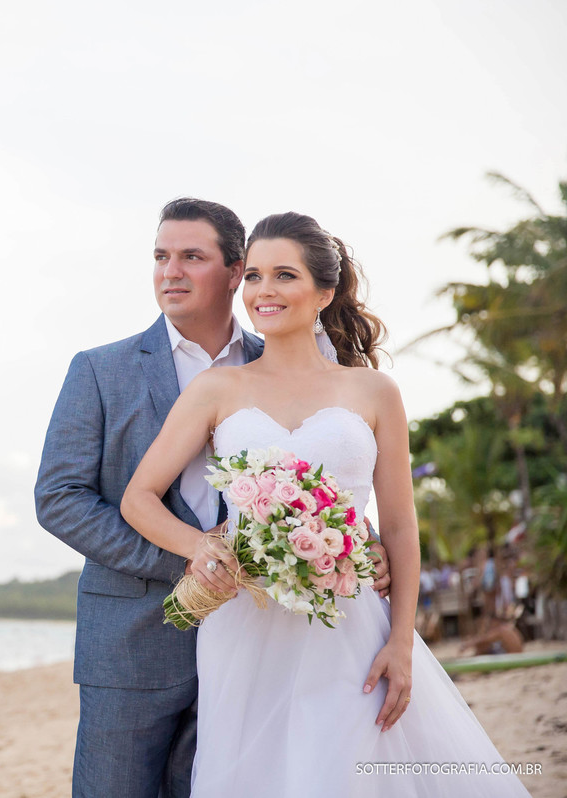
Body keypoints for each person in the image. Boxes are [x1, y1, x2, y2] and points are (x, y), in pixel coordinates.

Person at [120, 211, 530, 795]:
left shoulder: (374, 391)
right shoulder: (217, 389)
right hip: (244, 621)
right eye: (255, 276)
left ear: (325, 291)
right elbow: (139, 497)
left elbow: (398, 527)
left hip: (350, 622)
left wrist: (401, 642)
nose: (264, 291)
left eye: (284, 275)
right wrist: (202, 547)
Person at [34, 199, 392, 798]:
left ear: (234, 272)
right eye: (160, 257)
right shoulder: (100, 369)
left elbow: (331, 468)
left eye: (190, 257)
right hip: (132, 642)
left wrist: (362, 546)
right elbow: (59, 498)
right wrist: (194, 562)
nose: (169, 272)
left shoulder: (281, 357)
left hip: (264, 640)